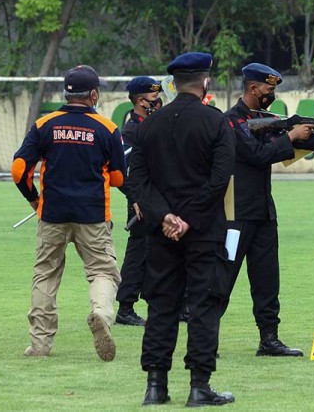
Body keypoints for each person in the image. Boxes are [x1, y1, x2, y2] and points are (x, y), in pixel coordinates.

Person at [223, 63, 314, 357]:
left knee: (267, 280)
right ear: (253, 88)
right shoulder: (231, 121)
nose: (272, 95)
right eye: (269, 90)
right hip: (234, 213)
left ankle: (269, 339)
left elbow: (289, 141)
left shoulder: (267, 120)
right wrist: (292, 136)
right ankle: (207, 336)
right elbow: (258, 155)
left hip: (263, 211)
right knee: (222, 276)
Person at [127, 52, 235, 406]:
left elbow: (138, 183)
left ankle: (155, 385)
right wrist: (187, 218)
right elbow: (219, 180)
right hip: (203, 229)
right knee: (203, 304)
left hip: (162, 232)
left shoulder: (148, 125)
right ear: (205, 82)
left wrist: (165, 217)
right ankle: (199, 385)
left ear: (173, 84)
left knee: (161, 305)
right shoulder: (215, 122)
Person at [11, 65, 125, 361]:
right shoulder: (108, 129)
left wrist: (35, 201)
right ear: (94, 95)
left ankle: (39, 345)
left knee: (46, 275)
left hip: (52, 214)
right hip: (93, 215)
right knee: (102, 271)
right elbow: (118, 179)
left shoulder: (44, 124)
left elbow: (19, 169)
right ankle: (100, 314)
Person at [115, 76, 163, 327]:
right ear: (140, 101)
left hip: (160, 195)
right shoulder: (132, 130)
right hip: (141, 199)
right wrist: (134, 197)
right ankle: (125, 307)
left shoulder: (154, 124)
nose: (158, 102)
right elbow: (124, 170)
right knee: (139, 252)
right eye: (154, 99)